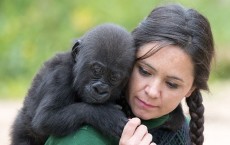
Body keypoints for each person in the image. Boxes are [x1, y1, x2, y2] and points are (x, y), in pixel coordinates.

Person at [45, 3, 215, 145]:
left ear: (190, 89)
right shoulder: (83, 136)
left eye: (171, 84)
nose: (152, 92)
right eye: (144, 71)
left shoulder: (182, 130)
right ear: (128, 60)